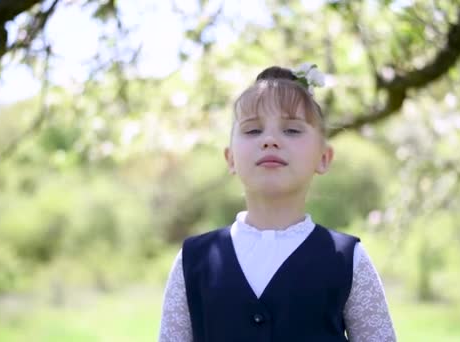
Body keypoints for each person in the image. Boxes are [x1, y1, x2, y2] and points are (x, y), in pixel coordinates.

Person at [158, 64, 396, 342]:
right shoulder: (193, 260)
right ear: (230, 158)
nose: (270, 140)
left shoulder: (349, 259)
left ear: (324, 157)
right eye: (253, 130)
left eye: (292, 130)